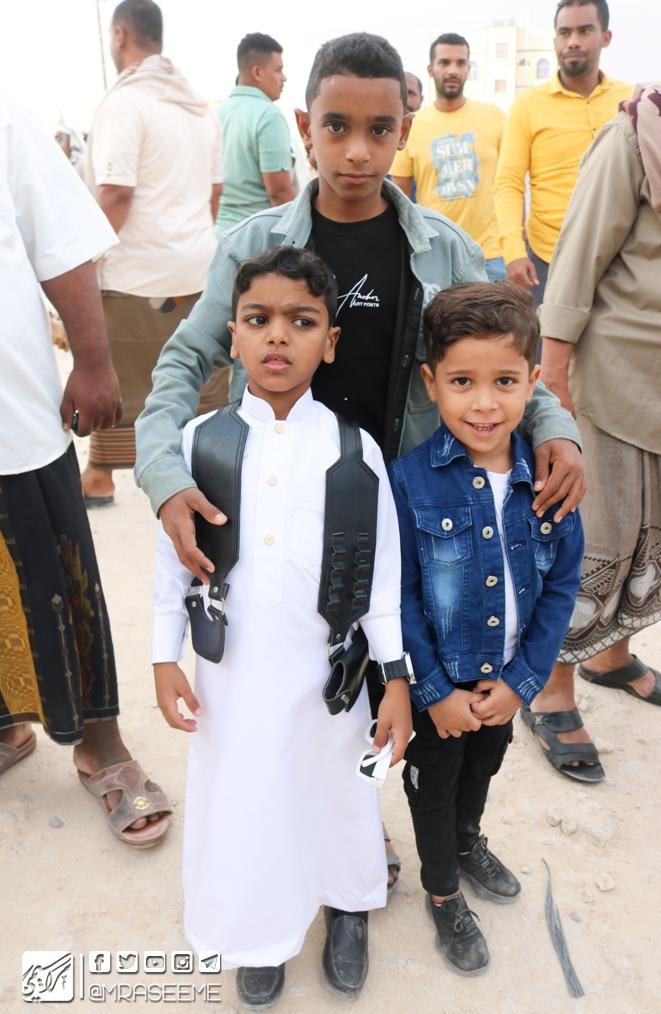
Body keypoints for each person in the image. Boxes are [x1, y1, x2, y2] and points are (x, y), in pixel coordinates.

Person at [135, 30, 585, 891]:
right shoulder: (254, 246)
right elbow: (184, 360)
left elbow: (499, 349)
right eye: (335, 126)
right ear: (304, 125)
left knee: (402, 678)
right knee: (304, 683)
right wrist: (165, 476)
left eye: (378, 130)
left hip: (402, 508)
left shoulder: (443, 248)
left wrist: (554, 425)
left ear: (402, 130)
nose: (355, 150)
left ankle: (424, 836)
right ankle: (340, 842)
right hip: (276, 509)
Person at [152, 246, 413, 1007]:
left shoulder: (353, 450)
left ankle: (347, 905)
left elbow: (381, 581)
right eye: (258, 319)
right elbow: (173, 563)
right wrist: (163, 657)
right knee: (245, 797)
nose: (277, 336)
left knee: (338, 789)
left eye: (301, 321)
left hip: (329, 672)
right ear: (232, 335)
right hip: (231, 673)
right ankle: (258, 933)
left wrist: (394, 679)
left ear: (330, 342)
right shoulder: (200, 442)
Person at [389, 282, 583, 973]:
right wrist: (434, 692)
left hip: (504, 684)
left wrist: (522, 682)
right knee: (433, 785)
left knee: (483, 768)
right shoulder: (408, 482)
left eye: (504, 381)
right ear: (431, 383)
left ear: (533, 380)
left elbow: (560, 586)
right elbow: (399, 596)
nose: (483, 404)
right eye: (462, 382)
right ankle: (442, 891)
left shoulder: (549, 483)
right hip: (437, 691)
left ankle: (468, 841)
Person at [0, 89, 171, 848]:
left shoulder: (4, 120)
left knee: (58, 579)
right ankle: (6, 727)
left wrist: (95, 362)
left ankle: (101, 744)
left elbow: (64, 245)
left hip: (11, 416)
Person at [523, 23, 661, 783]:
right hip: (617, 375)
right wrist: (552, 380)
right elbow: (578, 253)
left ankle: (611, 658)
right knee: (593, 541)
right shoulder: (639, 130)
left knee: (658, 539)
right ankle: (550, 690)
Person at [81, 0, 228, 506]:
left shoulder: (126, 104)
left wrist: (84, 262)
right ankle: (206, 470)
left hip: (137, 274)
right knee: (198, 381)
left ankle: (102, 477)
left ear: (120, 36)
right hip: (197, 268)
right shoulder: (198, 108)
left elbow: (116, 193)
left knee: (123, 386)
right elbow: (213, 194)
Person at [495, 0, 630, 303]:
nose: (573, 42)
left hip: (622, 259)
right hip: (548, 260)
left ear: (606, 37)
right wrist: (514, 251)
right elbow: (509, 183)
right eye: (564, 32)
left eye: (585, 31)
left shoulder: (630, 100)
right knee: (547, 337)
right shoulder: (528, 106)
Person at [391, 33, 507, 282]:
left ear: (468, 68)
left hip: (491, 256)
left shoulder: (494, 117)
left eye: (460, 63)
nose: (452, 70)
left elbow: (510, 182)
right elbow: (400, 199)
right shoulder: (412, 126)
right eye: (444, 63)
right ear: (430, 69)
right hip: (437, 256)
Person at [215, 32, 295, 234]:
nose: (284, 78)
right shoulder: (269, 116)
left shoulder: (216, 116)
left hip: (218, 234)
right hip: (256, 238)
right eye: (278, 70)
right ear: (257, 72)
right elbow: (279, 193)